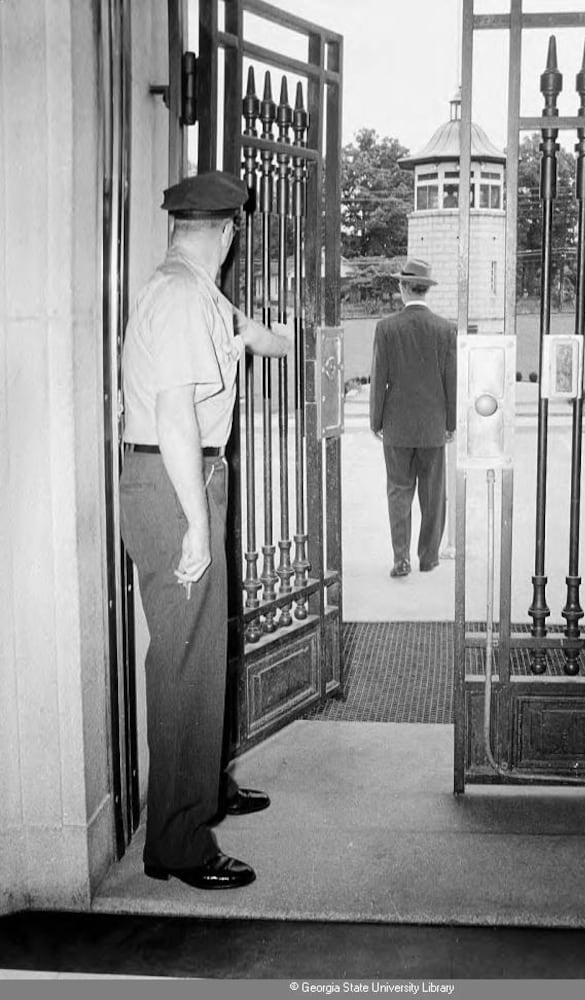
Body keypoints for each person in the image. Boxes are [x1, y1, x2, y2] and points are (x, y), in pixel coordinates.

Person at [119, 170, 290, 890]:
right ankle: (179, 844)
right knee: (185, 662)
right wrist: (195, 523)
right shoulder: (187, 296)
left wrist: (260, 334)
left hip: (179, 480)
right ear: (227, 232)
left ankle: (204, 789)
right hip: (174, 482)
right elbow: (177, 413)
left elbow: (271, 342)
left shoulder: (195, 290)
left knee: (200, 648)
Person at [369, 258, 457, 578]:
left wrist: (376, 421)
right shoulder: (446, 330)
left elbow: (379, 379)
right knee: (433, 494)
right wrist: (451, 424)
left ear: (404, 287)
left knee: (398, 491)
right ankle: (429, 557)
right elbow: (452, 381)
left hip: (397, 425)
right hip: (433, 425)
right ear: (425, 289)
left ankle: (400, 558)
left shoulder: (386, 328)